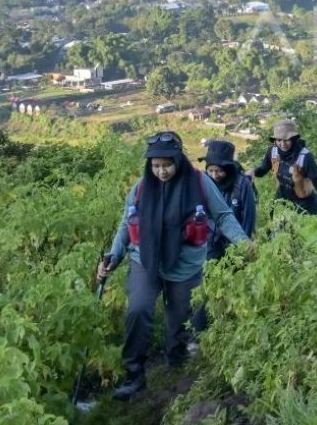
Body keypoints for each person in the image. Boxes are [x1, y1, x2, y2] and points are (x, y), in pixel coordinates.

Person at [95, 131, 250, 401]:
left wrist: (244, 244)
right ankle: (134, 376)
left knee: (178, 322)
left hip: (186, 266)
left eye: (167, 165)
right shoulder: (142, 187)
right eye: (155, 166)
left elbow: (223, 216)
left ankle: (175, 367)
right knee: (138, 310)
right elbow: (125, 225)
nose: (162, 171)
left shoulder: (199, 183)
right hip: (145, 260)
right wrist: (113, 256)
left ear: (178, 160)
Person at [191, 140, 256, 333]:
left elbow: (248, 218)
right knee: (208, 286)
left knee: (236, 285)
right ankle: (200, 331)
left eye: (218, 171)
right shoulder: (202, 184)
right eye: (210, 171)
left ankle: (234, 328)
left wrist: (243, 247)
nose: (214, 175)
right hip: (210, 244)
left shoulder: (241, 185)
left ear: (228, 168)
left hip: (236, 246)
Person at [252, 119, 317, 215]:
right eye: (279, 140)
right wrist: (251, 172)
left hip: (305, 204)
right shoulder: (273, 152)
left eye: (286, 140)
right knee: (275, 228)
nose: (282, 144)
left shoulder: (305, 157)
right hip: (283, 200)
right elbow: (263, 170)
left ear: (293, 138)